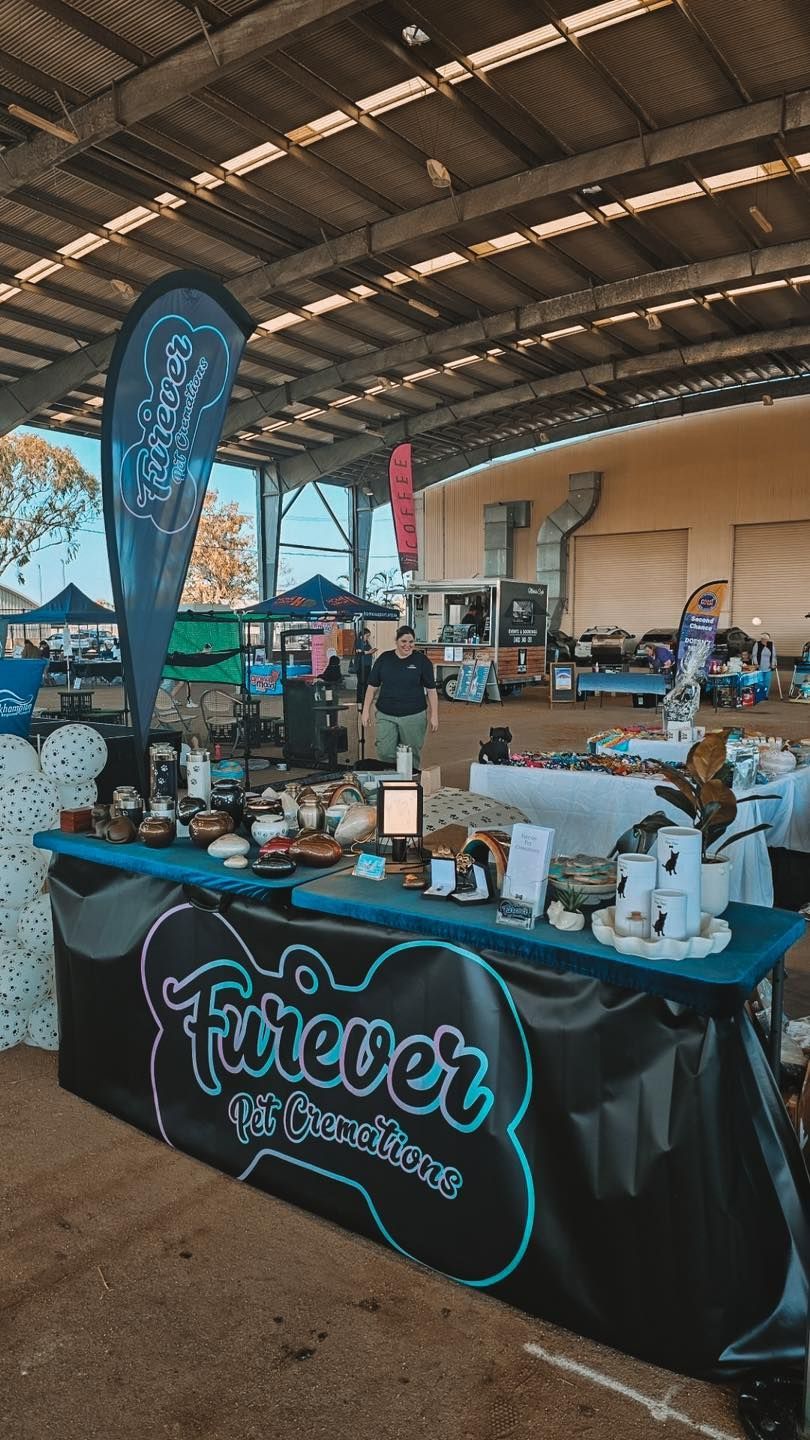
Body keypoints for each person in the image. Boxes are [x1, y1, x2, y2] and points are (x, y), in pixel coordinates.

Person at [360, 624, 438, 770]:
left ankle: (410, 784)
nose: (407, 645)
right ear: (396, 641)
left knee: (410, 753)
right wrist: (365, 711)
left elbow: (431, 690)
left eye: (411, 642)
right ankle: (391, 781)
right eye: (404, 641)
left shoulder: (422, 661)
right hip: (385, 714)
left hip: (413, 715)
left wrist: (434, 715)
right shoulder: (384, 659)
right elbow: (372, 687)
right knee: (385, 751)